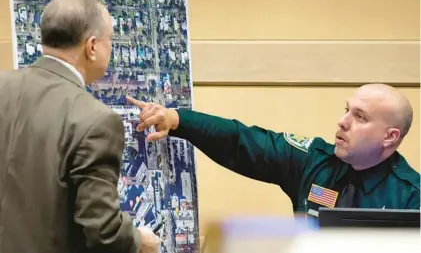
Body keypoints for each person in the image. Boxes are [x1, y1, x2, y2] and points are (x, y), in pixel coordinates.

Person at [0, 0, 160, 253]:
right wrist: (140, 241)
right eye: (111, 40)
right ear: (92, 46)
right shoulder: (96, 120)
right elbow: (103, 233)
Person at [125, 83, 420, 217]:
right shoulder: (316, 163)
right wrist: (178, 120)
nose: (342, 122)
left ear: (389, 137)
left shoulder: (410, 197)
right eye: (347, 110)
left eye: (360, 117)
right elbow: (244, 141)